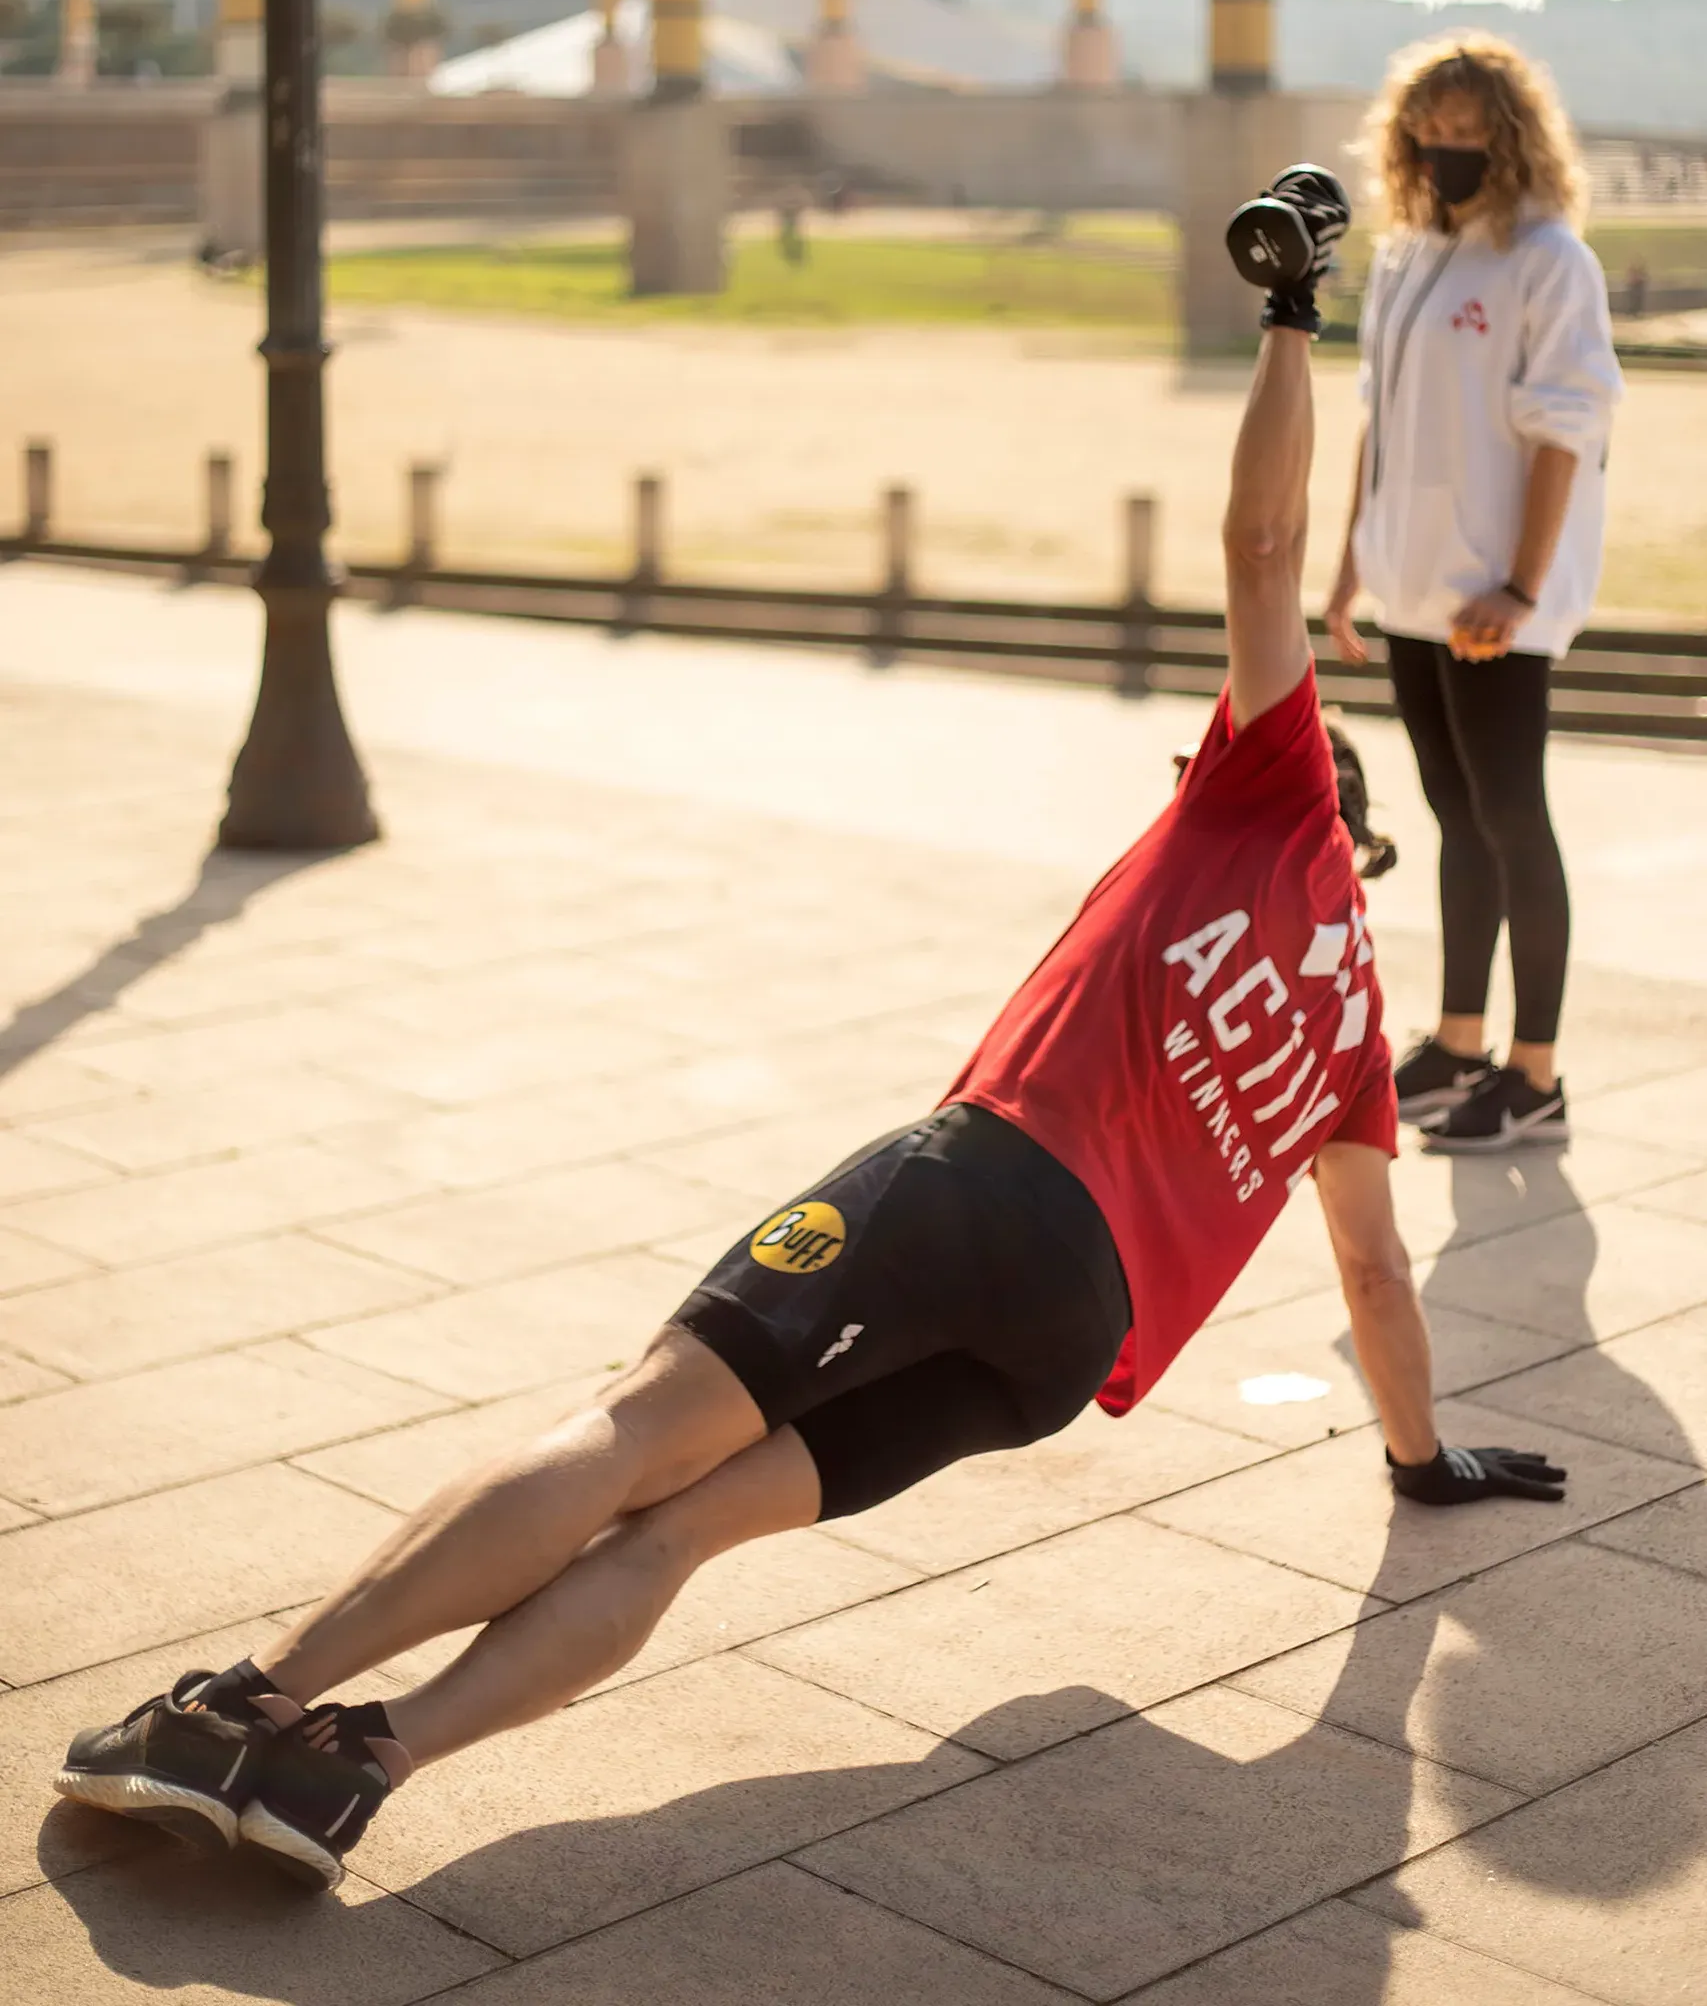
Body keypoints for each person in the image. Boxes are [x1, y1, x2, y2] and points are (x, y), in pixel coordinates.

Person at [53, 177, 1568, 1894]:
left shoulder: (1259, 785)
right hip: (1060, 1350)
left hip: (981, 1187)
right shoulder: (1355, 1031)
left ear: (1238, 764)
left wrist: (1290, 315)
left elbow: (1263, 551)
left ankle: (238, 1708)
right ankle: (361, 1774)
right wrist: (1421, 1461)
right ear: (1374, 865)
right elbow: (1374, 1276)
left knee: (629, 1442)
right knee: (687, 1532)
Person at [1325, 37, 1621, 1151]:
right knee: (1454, 815)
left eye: (1467, 135)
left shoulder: (1549, 260)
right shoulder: (1407, 255)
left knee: (1511, 820)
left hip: (1494, 601)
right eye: (1428, 135)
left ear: (1510, 137)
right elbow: (1378, 418)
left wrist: (1520, 585)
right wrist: (1354, 560)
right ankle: (1458, 1045)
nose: (1445, 153)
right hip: (1410, 589)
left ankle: (1534, 1074)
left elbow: (1566, 434)